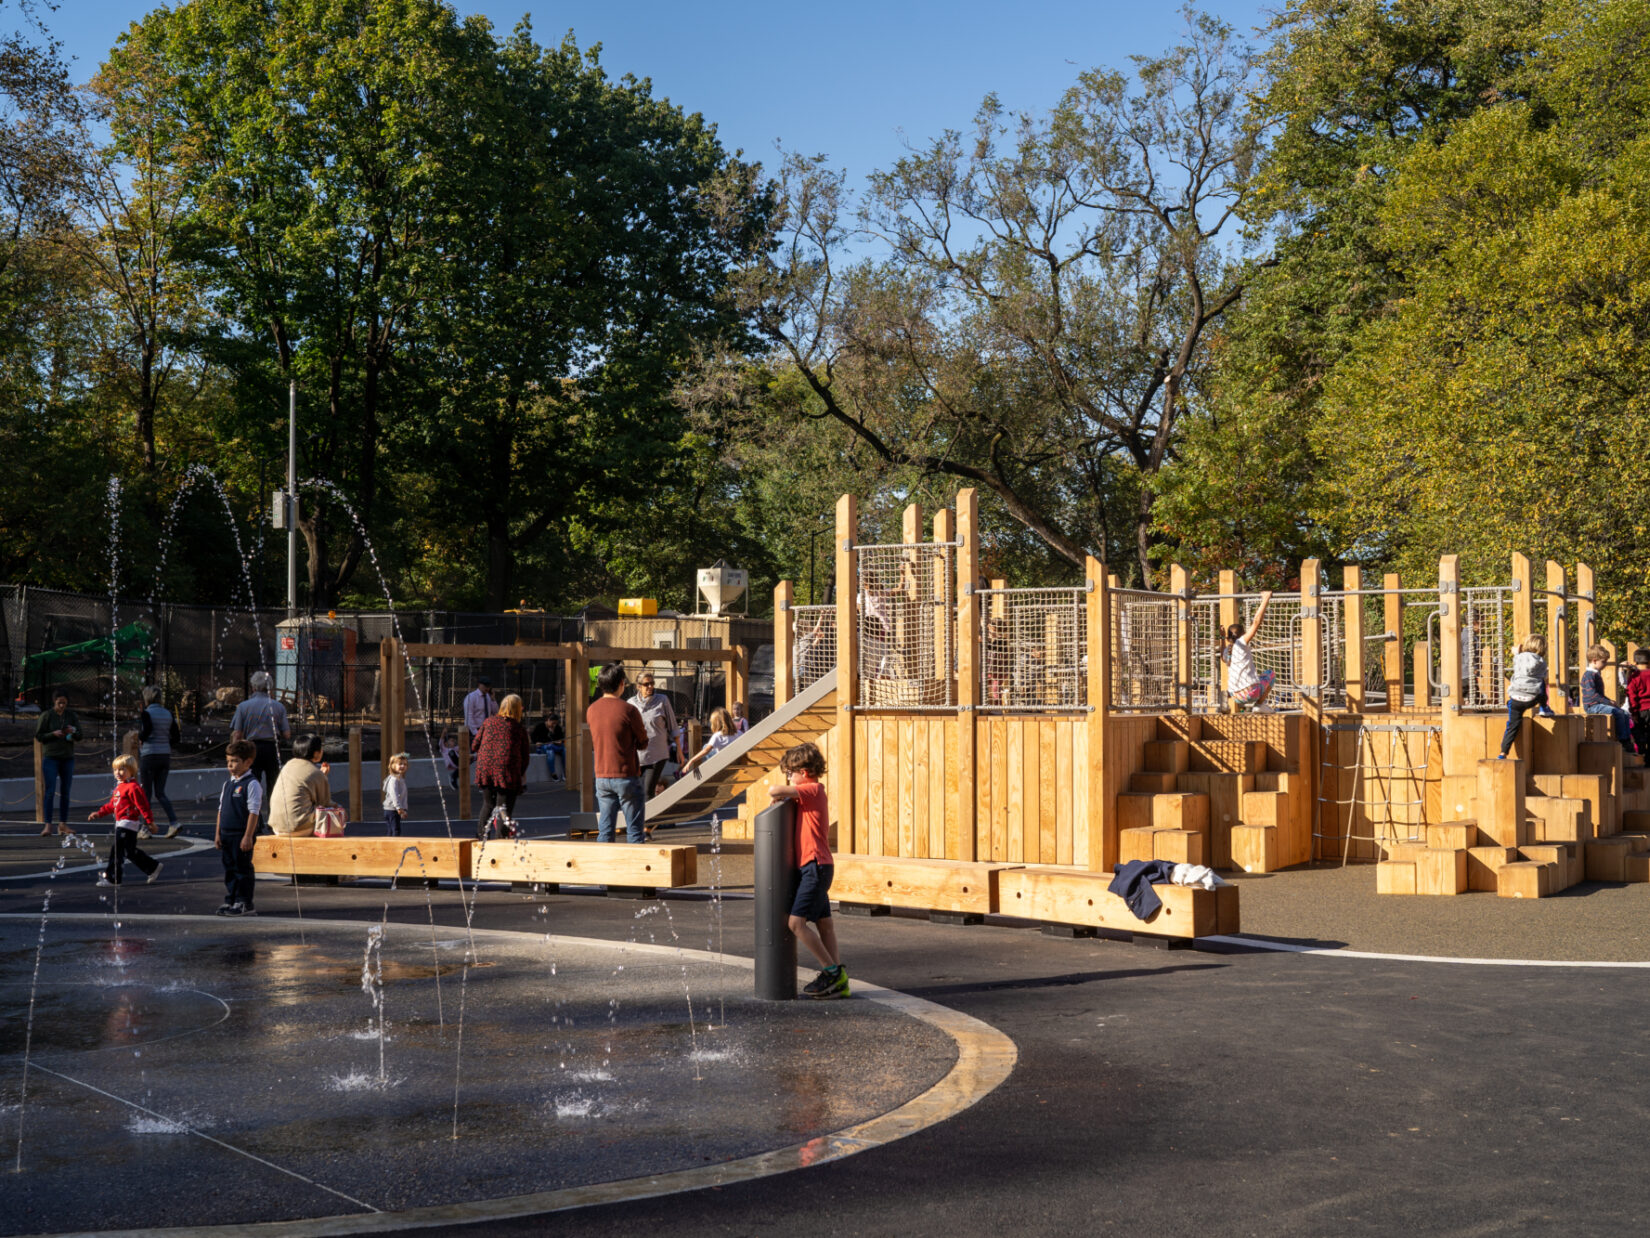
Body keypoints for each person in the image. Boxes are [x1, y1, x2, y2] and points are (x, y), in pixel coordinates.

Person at [767, 741, 847, 998]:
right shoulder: (808, 794)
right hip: (818, 866)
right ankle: (839, 983)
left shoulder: (813, 789)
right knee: (824, 924)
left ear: (804, 770)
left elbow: (773, 789)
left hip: (816, 867)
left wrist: (782, 791)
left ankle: (831, 971)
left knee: (796, 923)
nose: (788, 778)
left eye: (790, 772)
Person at [587, 663, 648, 843]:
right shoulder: (629, 710)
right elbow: (643, 742)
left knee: (605, 831)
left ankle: (603, 867)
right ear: (621, 683)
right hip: (625, 773)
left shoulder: (592, 710)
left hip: (602, 775)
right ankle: (635, 869)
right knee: (635, 832)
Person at [90, 754, 160, 887]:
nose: (118, 773)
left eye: (122, 769)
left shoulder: (133, 787)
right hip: (123, 824)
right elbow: (112, 805)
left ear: (131, 770)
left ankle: (113, 878)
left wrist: (150, 822)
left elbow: (143, 806)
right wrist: (99, 813)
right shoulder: (120, 787)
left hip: (127, 824)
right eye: (115, 770)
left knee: (116, 850)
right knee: (129, 851)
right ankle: (152, 867)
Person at [472, 693, 529, 838]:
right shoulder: (518, 728)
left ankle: (481, 838)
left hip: (485, 769)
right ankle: (501, 841)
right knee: (504, 809)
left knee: (488, 805)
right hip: (506, 771)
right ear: (518, 710)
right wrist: (520, 775)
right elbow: (525, 756)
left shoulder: (488, 722)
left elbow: (475, 745)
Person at [215, 739, 261, 916]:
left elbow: (254, 811)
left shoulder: (251, 783)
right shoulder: (228, 784)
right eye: (228, 762)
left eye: (234, 761)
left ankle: (245, 902)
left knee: (242, 869)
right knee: (230, 869)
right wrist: (217, 833)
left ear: (248, 762)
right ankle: (232, 899)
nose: (230, 765)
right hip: (226, 833)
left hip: (240, 833)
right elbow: (220, 809)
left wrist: (248, 835)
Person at [230, 671, 291, 802]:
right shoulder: (279, 707)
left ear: (253, 687)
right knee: (274, 786)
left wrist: (234, 755)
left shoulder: (243, 706)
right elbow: (287, 734)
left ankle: (254, 818)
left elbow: (237, 734)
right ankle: (273, 818)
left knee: (252, 784)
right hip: (272, 749)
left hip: (251, 748)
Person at [1499, 634, 1559, 758]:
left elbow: (1520, 659)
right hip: (1532, 698)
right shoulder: (1542, 662)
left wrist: (1517, 651)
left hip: (1516, 699)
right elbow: (1537, 672)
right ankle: (1544, 707)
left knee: (1512, 725)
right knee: (1540, 682)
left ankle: (1503, 752)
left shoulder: (1518, 658)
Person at [136, 686, 182, 838]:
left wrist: (141, 738)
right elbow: (176, 736)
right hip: (165, 755)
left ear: (147, 699)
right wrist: (165, 741)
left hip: (149, 755)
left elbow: (147, 729)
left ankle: (145, 827)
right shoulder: (168, 713)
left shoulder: (146, 713)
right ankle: (173, 822)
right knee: (160, 792)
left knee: (146, 794)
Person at [267, 733, 333, 836]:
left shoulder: (288, 766)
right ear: (316, 753)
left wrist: (321, 775)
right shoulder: (315, 773)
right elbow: (324, 803)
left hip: (276, 827)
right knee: (333, 814)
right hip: (298, 827)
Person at [34, 691, 80, 835]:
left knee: (65, 791)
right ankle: (48, 824)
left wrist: (72, 733)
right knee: (50, 791)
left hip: (67, 757)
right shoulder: (47, 716)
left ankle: (63, 824)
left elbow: (80, 735)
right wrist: (52, 734)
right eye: (59, 703)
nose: (61, 706)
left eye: (64, 703)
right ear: (54, 702)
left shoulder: (71, 716)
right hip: (51, 757)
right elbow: (39, 735)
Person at [1222, 591, 1276, 712]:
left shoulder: (1227, 650)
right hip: (1251, 693)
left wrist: (1222, 639)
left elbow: (1222, 657)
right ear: (1242, 634)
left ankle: (1225, 697)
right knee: (1270, 674)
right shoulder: (1241, 643)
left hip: (1235, 696)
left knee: (1253, 678)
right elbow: (1256, 622)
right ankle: (1259, 705)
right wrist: (1265, 599)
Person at [629, 673, 678, 799]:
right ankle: (635, 817)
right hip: (637, 755)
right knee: (631, 790)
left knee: (648, 791)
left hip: (657, 754)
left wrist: (680, 751)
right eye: (646, 684)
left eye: (652, 683)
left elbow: (673, 726)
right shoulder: (630, 704)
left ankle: (649, 819)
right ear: (638, 686)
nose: (650, 686)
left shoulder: (662, 700)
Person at [1582, 645, 1635, 753]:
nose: (1605, 664)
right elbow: (1593, 695)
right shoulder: (1589, 675)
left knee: (1624, 713)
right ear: (1595, 661)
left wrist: (1610, 701)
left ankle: (1627, 740)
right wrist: (1607, 702)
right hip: (1592, 706)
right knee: (1618, 713)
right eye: (1604, 662)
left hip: (1598, 704)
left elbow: (1599, 695)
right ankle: (1623, 739)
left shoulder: (1595, 674)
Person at [679, 707, 737, 775]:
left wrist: (691, 761)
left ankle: (710, 767)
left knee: (705, 746)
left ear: (715, 724)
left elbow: (706, 751)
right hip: (734, 761)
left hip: (722, 763)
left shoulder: (717, 736)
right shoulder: (738, 733)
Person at [1627, 649, 1650, 758]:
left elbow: (1632, 696)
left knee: (1638, 730)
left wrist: (1634, 712)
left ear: (1635, 662)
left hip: (1641, 710)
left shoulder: (1634, 677)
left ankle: (1641, 749)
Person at [529, 712, 566, 781]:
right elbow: (533, 736)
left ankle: (565, 772)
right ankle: (553, 774)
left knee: (564, 751)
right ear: (548, 720)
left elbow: (561, 738)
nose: (554, 725)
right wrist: (536, 742)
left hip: (555, 746)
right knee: (550, 752)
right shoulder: (540, 726)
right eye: (552, 723)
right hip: (544, 746)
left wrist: (553, 734)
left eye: (555, 723)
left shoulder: (557, 728)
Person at [382, 751, 410, 837]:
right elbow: (394, 795)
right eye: (400, 764)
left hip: (394, 808)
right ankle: (393, 848)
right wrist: (399, 808)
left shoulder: (399, 778)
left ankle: (390, 847)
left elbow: (402, 795)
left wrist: (403, 809)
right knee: (395, 830)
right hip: (392, 809)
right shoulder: (394, 779)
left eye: (405, 764)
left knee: (392, 830)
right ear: (393, 766)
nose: (403, 766)